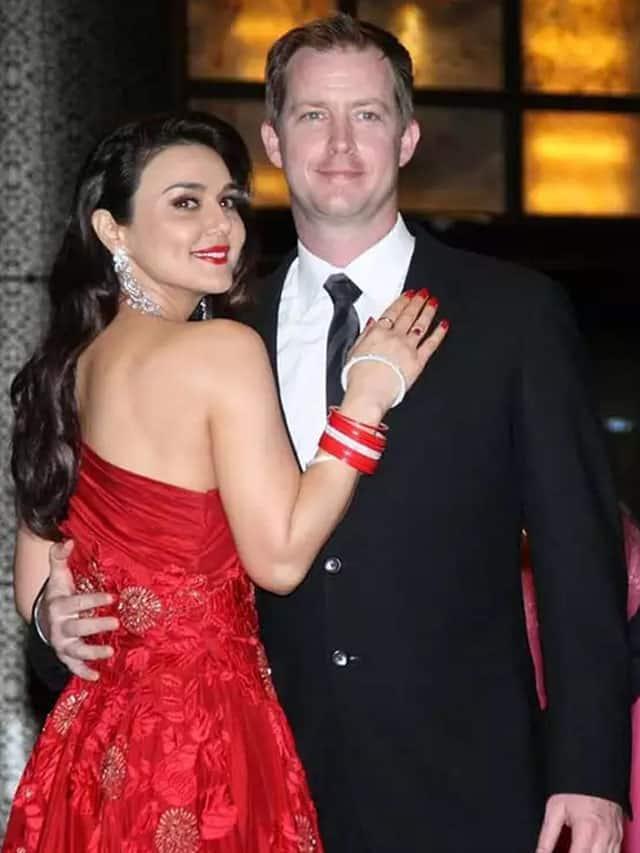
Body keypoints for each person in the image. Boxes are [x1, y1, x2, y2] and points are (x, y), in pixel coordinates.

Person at [24, 13, 630, 853]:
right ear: (274, 140)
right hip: (254, 786)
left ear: (408, 138)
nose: (340, 142)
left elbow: (581, 559)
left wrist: (591, 770)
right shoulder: (222, 329)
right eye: (313, 114)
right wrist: (52, 624)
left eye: (367, 114)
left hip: (470, 786)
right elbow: (112, 541)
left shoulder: (514, 313)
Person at [2, 111, 447, 852]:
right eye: (186, 202)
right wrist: (365, 399)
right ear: (112, 229)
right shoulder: (222, 350)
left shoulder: (64, 370)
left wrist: (56, 622)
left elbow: (35, 592)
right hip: (200, 741)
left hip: (92, 748)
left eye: (230, 201)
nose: (223, 226)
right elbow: (280, 559)